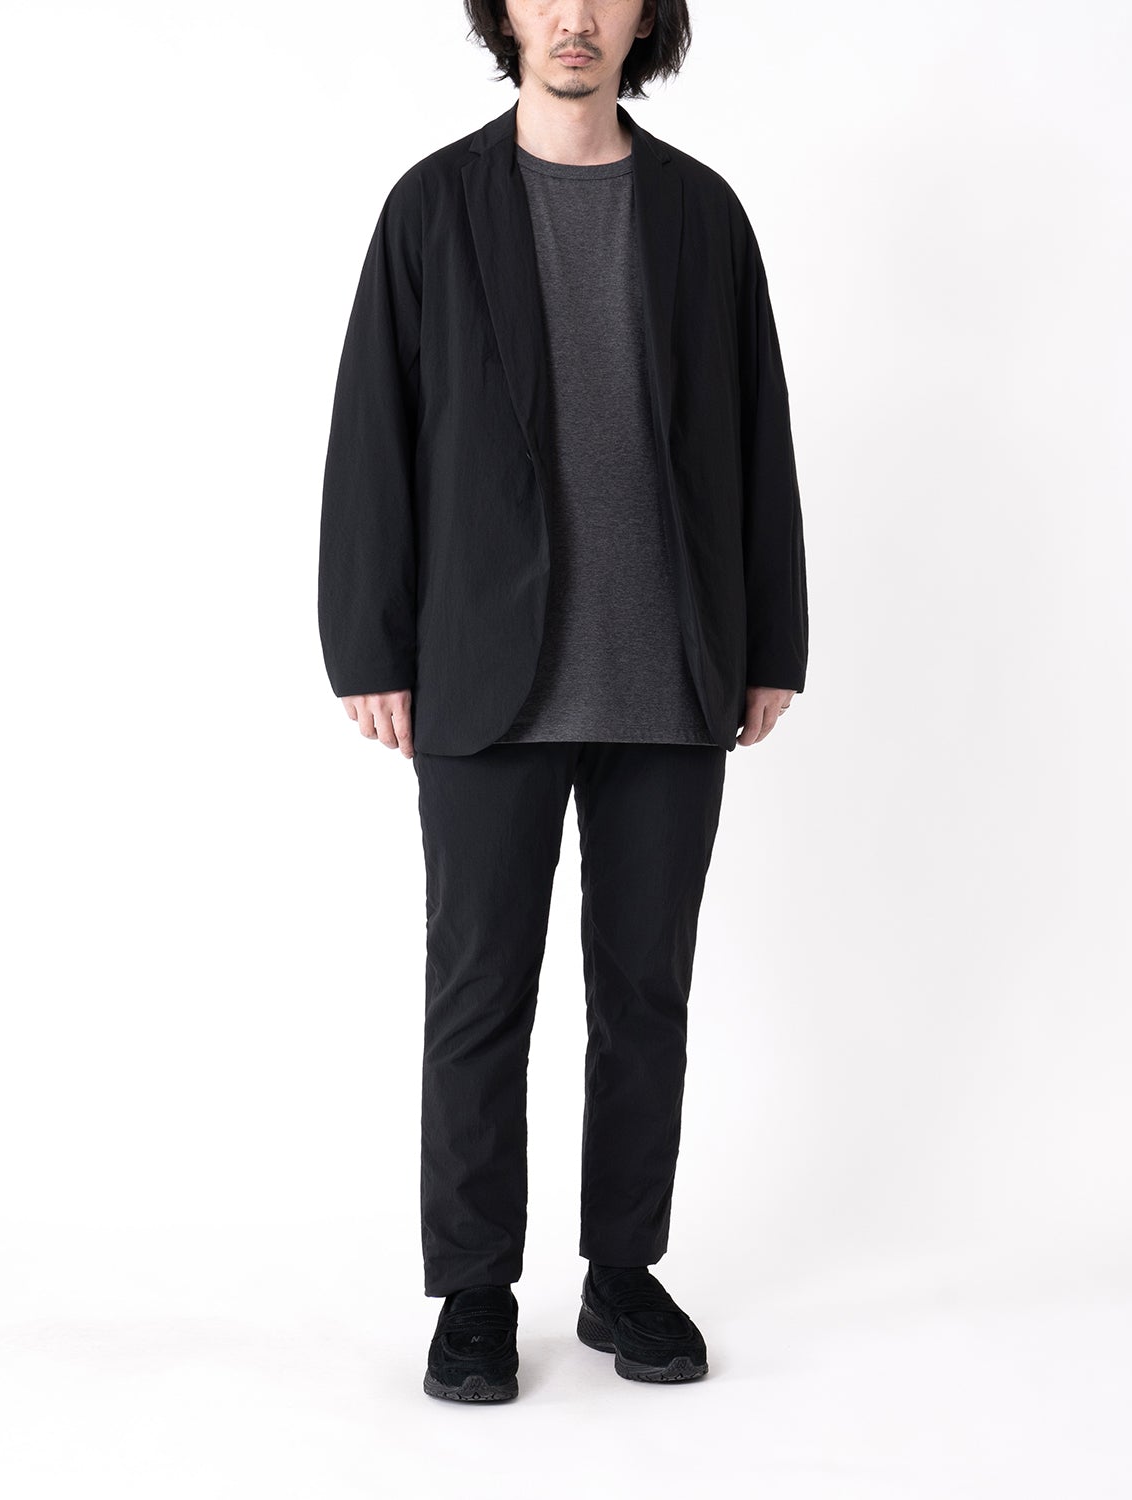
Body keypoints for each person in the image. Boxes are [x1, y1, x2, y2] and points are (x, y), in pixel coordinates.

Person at [318, 0, 808, 1402]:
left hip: (672, 669)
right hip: (486, 673)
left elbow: (759, 432)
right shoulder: (433, 209)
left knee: (645, 994)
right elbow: (373, 432)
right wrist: (368, 642)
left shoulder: (702, 216)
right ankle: (475, 1290)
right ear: (505, 15)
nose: (575, 16)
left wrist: (773, 640)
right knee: (481, 991)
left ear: (648, 18)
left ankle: (622, 1273)